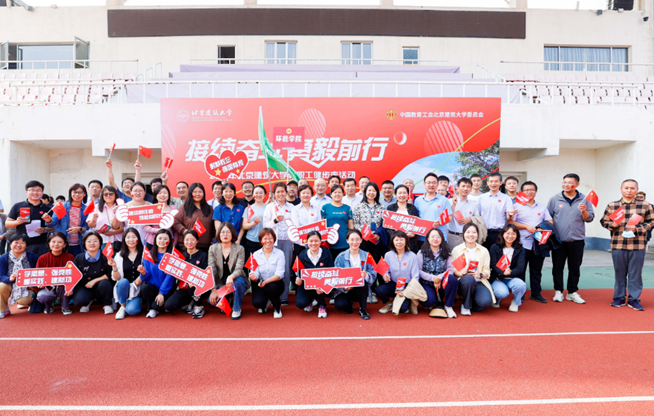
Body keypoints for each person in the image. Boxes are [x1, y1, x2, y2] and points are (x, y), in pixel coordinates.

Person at [600, 179, 654, 311]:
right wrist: (612, 224)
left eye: (632, 188)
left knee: (635, 273)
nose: (629, 190)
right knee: (619, 272)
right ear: (621, 189)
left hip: (638, 245)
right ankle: (619, 297)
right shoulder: (613, 205)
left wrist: (638, 228)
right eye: (626, 188)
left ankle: (634, 299)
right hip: (618, 244)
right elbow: (604, 221)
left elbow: (652, 221)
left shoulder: (645, 205)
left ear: (637, 190)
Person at [546, 173, 595, 304]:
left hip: (577, 240)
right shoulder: (554, 199)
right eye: (564, 182)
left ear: (577, 184)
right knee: (557, 267)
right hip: (558, 241)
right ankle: (558, 291)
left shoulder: (584, 199)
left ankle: (572, 292)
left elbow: (589, 218)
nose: (566, 185)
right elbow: (548, 217)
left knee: (575, 267)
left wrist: (584, 211)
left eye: (570, 182)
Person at [508, 181, 552, 303]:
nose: (529, 192)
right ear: (521, 192)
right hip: (522, 243)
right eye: (526, 190)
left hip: (538, 243)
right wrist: (526, 226)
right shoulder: (516, 206)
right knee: (520, 270)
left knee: (536, 270)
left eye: (532, 190)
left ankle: (536, 293)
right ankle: (520, 294)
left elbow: (550, 221)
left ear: (536, 191)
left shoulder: (542, 207)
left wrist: (542, 227)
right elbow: (510, 222)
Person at [164, 230, 209, 318]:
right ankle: (191, 301)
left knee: (191, 287)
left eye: (192, 239)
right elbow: (178, 276)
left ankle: (199, 306)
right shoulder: (180, 256)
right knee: (168, 305)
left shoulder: (203, 255)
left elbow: (206, 274)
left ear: (197, 241)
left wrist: (195, 281)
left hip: (199, 287)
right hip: (184, 287)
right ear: (183, 241)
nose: (189, 242)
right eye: (187, 239)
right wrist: (172, 272)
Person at [262, 183, 295, 305]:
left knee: (285, 269)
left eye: (282, 191)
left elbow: (296, 224)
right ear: (274, 194)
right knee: (272, 269)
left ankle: (284, 296)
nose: (280, 194)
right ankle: (272, 295)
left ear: (286, 193)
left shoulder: (292, 207)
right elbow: (265, 225)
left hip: (288, 241)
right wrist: (275, 221)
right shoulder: (270, 207)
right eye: (278, 192)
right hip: (273, 242)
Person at [451, 223, 493, 316]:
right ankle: (465, 306)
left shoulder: (484, 250)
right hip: (463, 282)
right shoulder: (457, 250)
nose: (471, 235)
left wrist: (480, 274)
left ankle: (470, 300)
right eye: (468, 232)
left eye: (474, 232)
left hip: (479, 281)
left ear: (477, 234)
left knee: (485, 303)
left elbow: (487, 271)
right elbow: (453, 270)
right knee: (468, 279)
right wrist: (460, 273)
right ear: (463, 234)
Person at [376, 230, 420, 315]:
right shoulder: (388, 255)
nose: (399, 242)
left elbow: (416, 276)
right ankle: (390, 303)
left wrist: (407, 291)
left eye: (402, 240)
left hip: (407, 286)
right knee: (379, 290)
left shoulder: (413, 256)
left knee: (402, 309)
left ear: (406, 242)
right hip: (394, 284)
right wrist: (385, 276)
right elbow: (385, 271)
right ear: (392, 242)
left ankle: (406, 299)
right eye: (396, 240)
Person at [333, 229, 374, 320]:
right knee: (340, 306)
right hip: (346, 289)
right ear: (347, 241)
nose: (354, 242)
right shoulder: (341, 257)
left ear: (361, 240)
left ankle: (363, 309)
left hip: (360, 288)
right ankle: (349, 302)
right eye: (352, 239)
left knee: (363, 282)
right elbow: (335, 276)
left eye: (357, 239)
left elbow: (373, 273)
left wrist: (366, 275)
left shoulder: (367, 256)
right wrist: (343, 286)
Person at [208, 223, 246, 319]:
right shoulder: (213, 248)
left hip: (235, 280)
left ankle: (236, 308)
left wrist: (231, 277)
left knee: (240, 282)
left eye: (228, 232)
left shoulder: (239, 249)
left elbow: (239, 269)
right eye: (222, 232)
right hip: (220, 282)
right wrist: (213, 290)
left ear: (232, 234)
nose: (225, 234)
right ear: (219, 234)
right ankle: (228, 298)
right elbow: (211, 270)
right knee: (212, 301)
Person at [417, 228, 457, 318]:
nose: (435, 239)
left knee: (452, 279)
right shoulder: (421, 252)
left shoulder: (446, 252)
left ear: (442, 239)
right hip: (427, 282)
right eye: (433, 237)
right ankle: (434, 301)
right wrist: (432, 278)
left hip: (442, 282)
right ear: (428, 238)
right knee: (428, 302)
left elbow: (450, 270)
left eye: (438, 237)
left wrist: (439, 278)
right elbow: (418, 271)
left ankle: (449, 306)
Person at [5, 180, 53, 256]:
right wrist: (17, 222)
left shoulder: (48, 208)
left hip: (41, 244)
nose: (35, 193)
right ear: (26, 192)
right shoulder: (18, 206)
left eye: (38, 190)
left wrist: (45, 229)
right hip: (22, 244)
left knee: (40, 263)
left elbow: (53, 226)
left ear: (42, 192)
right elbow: (7, 224)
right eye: (32, 190)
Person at [42, 183, 90, 257]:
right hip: (61, 244)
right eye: (74, 192)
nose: (77, 194)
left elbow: (87, 227)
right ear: (70, 193)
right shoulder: (62, 206)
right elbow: (52, 224)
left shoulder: (85, 209)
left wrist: (79, 229)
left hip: (78, 245)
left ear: (84, 194)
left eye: (80, 192)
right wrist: (48, 220)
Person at [34, 232, 76, 315]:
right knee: (42, 296)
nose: (56, 244)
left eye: (60, 242)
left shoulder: (70, 257)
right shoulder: (42, 258)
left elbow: (73, 275)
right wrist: (40, 284)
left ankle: (65, 306)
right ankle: (49, 305)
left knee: (64, 286)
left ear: (64, 245)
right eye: (53, 242)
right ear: (49, 244)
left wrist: (70, 287)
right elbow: (37, 276)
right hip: (47, 287)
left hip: (64, 287)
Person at [73, 231, 114, 315]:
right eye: (89, 241)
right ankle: (89, 300)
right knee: (79, 301)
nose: (92, 243)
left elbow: (111, 273)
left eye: (95, 241)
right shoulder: (79, 258)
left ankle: (107, 304)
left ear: (100, 243)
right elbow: (75, 275)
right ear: (84, 243)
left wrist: (95, 280)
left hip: (102, 285)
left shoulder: (106, 256)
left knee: (105, 283)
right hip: (87, 286)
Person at [295, 231, 333, 318]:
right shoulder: (302, 255)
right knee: (300, 303)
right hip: (307, 284)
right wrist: (298, 278)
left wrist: (322, 285)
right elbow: (299, 272)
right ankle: (309, 301)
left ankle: (322, 305)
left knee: (321, 285)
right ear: (307, 242)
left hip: (323, 283)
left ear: (320, 241)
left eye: (316, 241)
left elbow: (331, 271)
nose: (313, 243)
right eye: (311, 241)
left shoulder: (327, 253)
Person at [0, 234, 39, 318]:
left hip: (27, 287)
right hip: (10, 283)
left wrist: (34, 284)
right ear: (10, 244)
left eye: (22, 243)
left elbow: (39, 272)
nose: (18, 245)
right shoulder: (3, 258)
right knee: (1, 286)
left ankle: (28, 303)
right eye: (16, 242)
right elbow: (1, 275)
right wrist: (9, 278)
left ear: (26, 245)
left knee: (24, 301)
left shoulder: (32, 256)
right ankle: (3, 309)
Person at [489, 224, 527, 312]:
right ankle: (497, 299)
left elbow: (520, 268)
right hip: (498, 278)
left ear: (517, 236)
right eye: (507, 233)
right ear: (502, 234)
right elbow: (493, 265)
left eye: (513, 234)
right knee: (501, 292)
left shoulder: (520, 249)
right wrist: (502, 273)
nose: (510, 236)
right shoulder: (495, 247)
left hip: (512, 277)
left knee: (521, 285)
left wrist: (506, 273)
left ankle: (516, 302)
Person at [249, 228, 285, 318]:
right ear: (261, 241)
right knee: (258, 303)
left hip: (276, 284)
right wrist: (253, 276)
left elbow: (279, 274)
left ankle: (277, 308)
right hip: (261, 283)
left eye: (270, 238)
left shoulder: (280, 253)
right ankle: (266, 301)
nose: (268, 241)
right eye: (265, 238)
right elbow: (255, 272)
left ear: (274, 240)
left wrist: (266, 282)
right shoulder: (255, 254)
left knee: (271, 286)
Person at [139, 229, 175, 318]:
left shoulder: (173, 256)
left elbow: (170, 278)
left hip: (167, 289)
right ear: (155, 240)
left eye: (165, 239)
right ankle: (152, 308)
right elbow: (146, 278)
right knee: (145, 288)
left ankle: (157, 306)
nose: (162, 241)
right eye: (160, 238)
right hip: (153, 288)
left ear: (169, 241)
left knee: (168, 305)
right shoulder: (149, 255)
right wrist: (143, 273)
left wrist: (162, 293)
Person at [107, 227, 143, 320]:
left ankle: (136, 302)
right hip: (124, 287)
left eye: (134, 237)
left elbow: (147, 272)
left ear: (138, 238)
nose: (131, 240)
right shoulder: (119, 255)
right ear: (124, 240)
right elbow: (116, 278)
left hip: (138, 288)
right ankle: (122, 306)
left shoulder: (144, 254)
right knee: (122, 281)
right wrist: (114, 267)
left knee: (132, 310)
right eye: (128, 237)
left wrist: (137, 282)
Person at [478, 172, 516, 250]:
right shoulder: (481, 198)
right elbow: (478, 215)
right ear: (487, 183)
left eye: (496, 181)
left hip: (499, 233)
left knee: (498, 255)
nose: (493, 183)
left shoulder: (506, 198)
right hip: (483, 233)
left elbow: (509, 217)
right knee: (484, 255)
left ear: (501, 183)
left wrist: (511, 215)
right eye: (491, 181)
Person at [172, 183, 215, 252]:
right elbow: (175, 221)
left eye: (200, 192)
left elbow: (213, 226)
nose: (197, 194)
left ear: (203, 193)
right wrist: (185, 231)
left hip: (205, 246)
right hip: (187, 245)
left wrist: (213, 239)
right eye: (195, 192)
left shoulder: (210, 209)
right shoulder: (184, 207)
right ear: (190, 193)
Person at [413, 173, 452, 245]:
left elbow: (449, 217)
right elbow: (415, 218)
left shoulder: (444, 200)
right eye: (429, 183)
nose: (431, 185)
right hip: (422, 237)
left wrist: (440, 222)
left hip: (439, 237)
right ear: (424, 184)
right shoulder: (418, 200)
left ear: (437, 184)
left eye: (434, 183)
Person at [353, 182, 386, 263]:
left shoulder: (381, 207)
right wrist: (366, 233)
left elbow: (384, 223)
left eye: (374, 191)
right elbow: (356, 223)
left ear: (377, 193)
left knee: (376, 261)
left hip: (376, 239)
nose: (371, 193)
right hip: (363, 239)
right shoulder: (359, 207)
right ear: (365, 192)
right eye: (369, 190)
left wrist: (378, 234)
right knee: (364, 262)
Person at [87, 185, 124, 254]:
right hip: (102, 241)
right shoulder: (96, 207)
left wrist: (112, 233)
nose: (108, 196)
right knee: (103, 260)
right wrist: (93, 220)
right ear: (102, 196)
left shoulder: (121, 207)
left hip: (118, 241)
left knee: (118, 260)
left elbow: (125, 226)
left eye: (111, 194)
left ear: (115, 195)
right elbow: (90, 225)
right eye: (106, 194)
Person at [321, 185, 354, 259]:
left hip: (344, 241)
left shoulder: (347, 208)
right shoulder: (325, 208)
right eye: (335, 192)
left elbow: (351, 226)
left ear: (343, 194)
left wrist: (351, 239)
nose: (337, 194)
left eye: (339, 192)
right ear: (331, 194)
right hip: (329, 241)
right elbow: (321, 225)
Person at [385, 184, 420, 253]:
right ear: (396, 195)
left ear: (407, 195)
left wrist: (413, 234)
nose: (402, 195)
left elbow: (417, 224)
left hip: (409, 241)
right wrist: (397, 236)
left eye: (404, 193)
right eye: (400, 193)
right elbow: (387, 226)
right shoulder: (390, 208)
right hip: (395, 241)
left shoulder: (412, 208)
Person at [448, 178, 480, 251]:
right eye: (463, 186)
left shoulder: (473, 204)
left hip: (469, 237)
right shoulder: (449, 202)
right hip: (453, 237)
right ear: (457, 188)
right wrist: (453, 205)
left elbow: (478, 218)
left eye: (468, 187)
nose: (465, 189)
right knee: (453, 257)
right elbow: (446, 218)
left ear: (470, 189)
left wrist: (470, 219)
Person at [290, 184, 321, 258]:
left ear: (311, 195)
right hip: (300, 243)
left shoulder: (316, 208)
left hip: (314, 243)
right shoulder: (295, 209)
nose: (305, 195)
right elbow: (296, 226)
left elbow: (319, 225)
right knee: (301, 263)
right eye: (303, 193)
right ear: (299, 195)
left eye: (308, 193)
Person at [143, 184, 178, 250]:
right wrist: (158, 230)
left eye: (165, 193)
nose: (162, 195)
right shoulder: (151, 208)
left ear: (168, 195)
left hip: (169, 242)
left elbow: (176, 228)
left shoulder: (173, 209)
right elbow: (145, 227)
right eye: (159, 193)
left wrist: (175, 242)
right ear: (156, 195)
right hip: (152, 241)